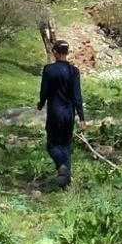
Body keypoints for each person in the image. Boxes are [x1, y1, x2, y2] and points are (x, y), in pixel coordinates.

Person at [37, 40, 86, 188]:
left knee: (52, 145)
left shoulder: (49, 70)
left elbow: (44, 91)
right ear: (67, 52)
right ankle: (65, 182)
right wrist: (82, 118)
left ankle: (61, 167)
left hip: (55, 112)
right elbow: (77, 96)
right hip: (69, 113)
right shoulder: (74, 71)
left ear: (55, 53)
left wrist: (41, 103)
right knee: (66, 145)